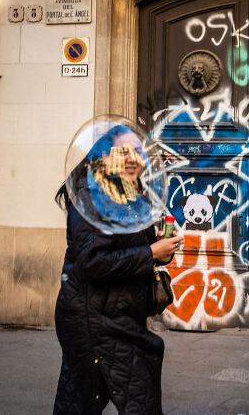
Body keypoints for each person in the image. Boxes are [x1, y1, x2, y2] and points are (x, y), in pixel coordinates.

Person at [53, 125, 183, 414]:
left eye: (137, 151)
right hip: (94, 321)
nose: (132, 158)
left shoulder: (128, 193)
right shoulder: (90, 195)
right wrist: (150, 252)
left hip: (119, 316)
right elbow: (93, 262)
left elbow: (132, 250)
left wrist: (162, 246)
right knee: (137, 399)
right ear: (103, 156)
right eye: (123, 151)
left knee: (80, 400)